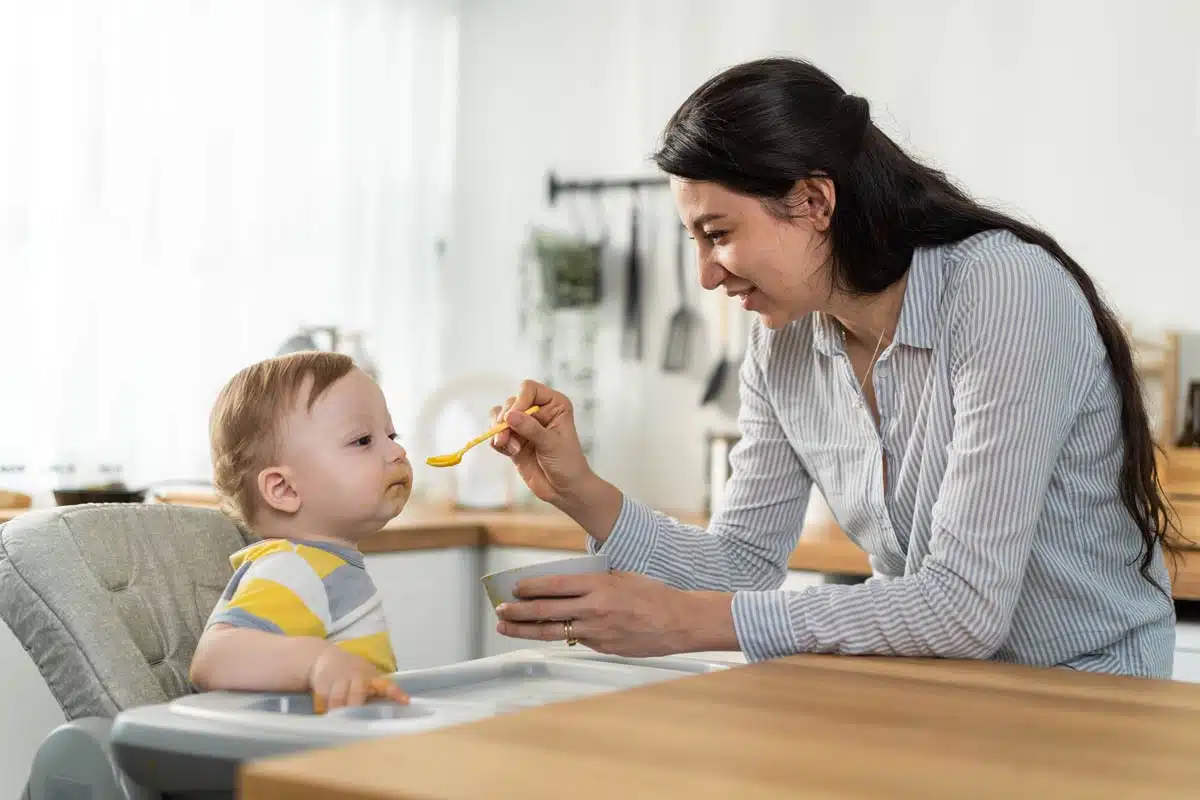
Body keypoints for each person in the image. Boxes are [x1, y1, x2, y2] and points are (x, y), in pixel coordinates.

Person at [488, 57, 1177, 677]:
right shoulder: (782, 348)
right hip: (940, 694)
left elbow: (964, 606)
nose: (704, 275)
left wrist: (685, 622)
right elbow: (741, 565)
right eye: (693, 240)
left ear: (815, 202)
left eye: (719, 234)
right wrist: (578, 489)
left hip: (1089, 694)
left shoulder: (1004, 290)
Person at [190, 352, 412, 710]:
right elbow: (213, 659)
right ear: (284, 490)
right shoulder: (293, 567)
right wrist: (318, 662)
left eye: (391, 434)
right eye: (362, 441)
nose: (398, 451)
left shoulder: (324, 565)